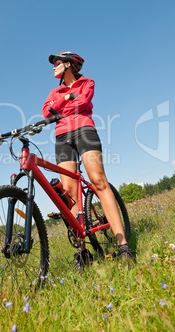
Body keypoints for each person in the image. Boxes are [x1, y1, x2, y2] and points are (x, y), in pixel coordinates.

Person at [42, 51, 134, 267]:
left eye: (57, 63)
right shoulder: (55, 91)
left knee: (98, 181)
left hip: (84, 130)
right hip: (62, 136)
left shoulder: (87, 82)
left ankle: (123, 245)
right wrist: (65, 98)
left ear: (69, 65)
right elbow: (47, 113)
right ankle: (83, 253)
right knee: (70, 193)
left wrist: (63, 105)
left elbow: (83, 102)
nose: (53, 67)